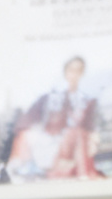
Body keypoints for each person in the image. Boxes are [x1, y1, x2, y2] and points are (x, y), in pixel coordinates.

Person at [8, 53, 101, 181]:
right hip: (49, 142)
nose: (74, 75)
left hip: (72, 145)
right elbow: (29, 121)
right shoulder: (48, 98)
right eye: (71, 70)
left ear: (82, 74)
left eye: (78, 71)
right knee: (25, 135)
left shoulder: (88, 101)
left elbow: (90, 127)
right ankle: (20, 170)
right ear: (65, 72)